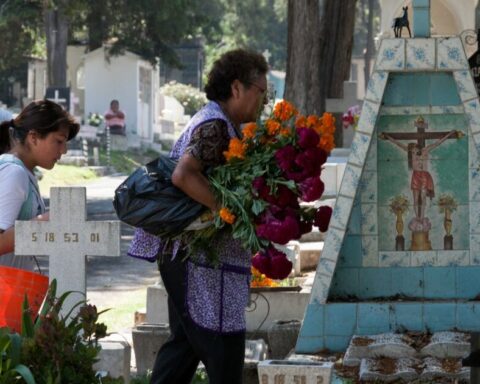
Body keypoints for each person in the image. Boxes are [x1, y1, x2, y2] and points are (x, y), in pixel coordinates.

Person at [128, 49, 268, 384]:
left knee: (185, 349)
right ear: (237, 88)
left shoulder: (222, 123)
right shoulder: (216, 126)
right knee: (221, 347)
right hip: (193, 259)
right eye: (260, 91)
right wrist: (232, 212)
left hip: (194, 259)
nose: (263, 100)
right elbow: (184, 175)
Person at [0, 99, 80, 271]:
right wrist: (47, 220)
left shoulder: (23, 172)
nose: (64, 150)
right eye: (59, 141)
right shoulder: (14, 173)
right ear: (34, 137)